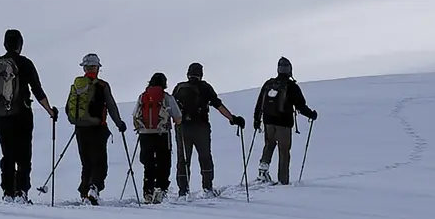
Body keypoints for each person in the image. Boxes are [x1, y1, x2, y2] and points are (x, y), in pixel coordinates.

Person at [0, 29, 56, 201]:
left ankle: (7, 192)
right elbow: (37, 90)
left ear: (5, 44)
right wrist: (50, 111)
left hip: (1, 116)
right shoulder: (25, 63)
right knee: (24, 155)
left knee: (7, 154)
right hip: (22, 114)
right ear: (20, 45)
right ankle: (21, 191)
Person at [172, 61, 243, 197]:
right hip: (202, 128)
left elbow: (171, 108)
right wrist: (232, 118)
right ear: (201, 74)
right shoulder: (205, 87)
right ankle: (207, 189)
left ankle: (183, 191)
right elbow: (218, 105)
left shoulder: (179, 88)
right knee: (205, 157)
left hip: (183, 129)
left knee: (183, 159)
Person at [63, 52, 125, 206]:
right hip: (98, 128)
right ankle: (94, 187)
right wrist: (119, 123)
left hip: (81, 129)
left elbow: (67, 108)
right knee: (100, 162)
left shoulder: (78, 85)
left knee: (86, 162)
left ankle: (84, 193)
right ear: (97, 68)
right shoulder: (102, 85)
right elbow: (111, 106)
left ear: (85, 68)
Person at [253, 57, 318, 186]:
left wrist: (256, 120)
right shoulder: (291, 86)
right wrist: (311, 114)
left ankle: (262, 171)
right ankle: (283, 180)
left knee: (269, 144)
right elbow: (300, 106)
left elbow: (260, 102)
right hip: (284, 123)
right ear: (289, 70)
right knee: (284, 151)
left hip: (268, 121)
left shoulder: (268, 84)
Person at [131, 73, 182, 204]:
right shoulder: (166, 97)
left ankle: (147, 191)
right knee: (163, 161)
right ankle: (160, 188)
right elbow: (178, 118)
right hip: (162, 133)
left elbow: (135, 115)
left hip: (145, 134)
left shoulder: (142, 96)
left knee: (148, 163)